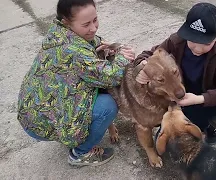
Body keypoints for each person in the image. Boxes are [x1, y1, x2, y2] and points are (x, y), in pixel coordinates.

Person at [17, 0, 135, 166]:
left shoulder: (58, 32)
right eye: (86, 24)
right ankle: (80, 154)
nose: (93, 28)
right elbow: (112, 76)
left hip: (33, 114)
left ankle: (71, 134)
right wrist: (124, 56)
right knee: (108, 106)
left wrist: (102, 45)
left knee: (96, 92)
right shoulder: (74, 50)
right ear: (67, 21)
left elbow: (89, 44)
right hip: (40, 124)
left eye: (95, 20)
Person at [135, 2, 216, 158]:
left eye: (206, 43)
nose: (197, 49)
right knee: (167, 147)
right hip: (187, 101)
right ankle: (206, 127)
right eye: (192, 41)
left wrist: (201, 98)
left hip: (212, 101)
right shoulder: (176, 41)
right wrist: (144, 66)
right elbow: (148, 54)